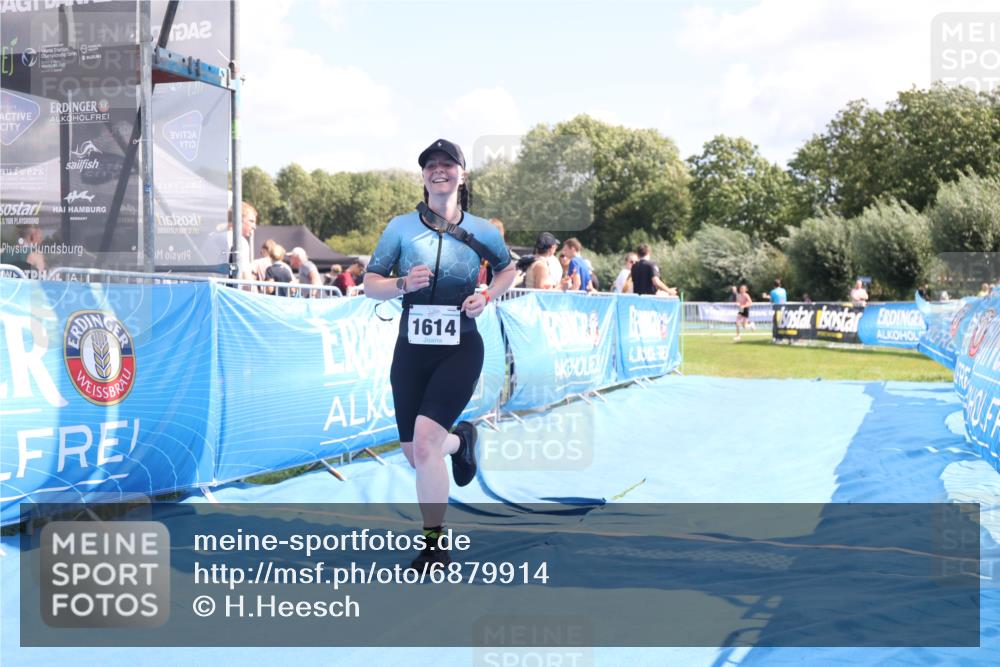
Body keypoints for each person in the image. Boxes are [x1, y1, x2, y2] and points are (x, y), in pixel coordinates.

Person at [363, 138, 516, 570]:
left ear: (462, 175)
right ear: (424, 176)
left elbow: (508, 269)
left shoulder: (483, 230)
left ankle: (434, 545)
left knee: (426, 444)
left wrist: (487, 295)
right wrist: (400, 285)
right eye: (431, 165)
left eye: (448, 164)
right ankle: (461, 440)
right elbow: (369, 282)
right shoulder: (400, 228)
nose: (439, 170)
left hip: (460, 345)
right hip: (411, 349)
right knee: (417, 454)